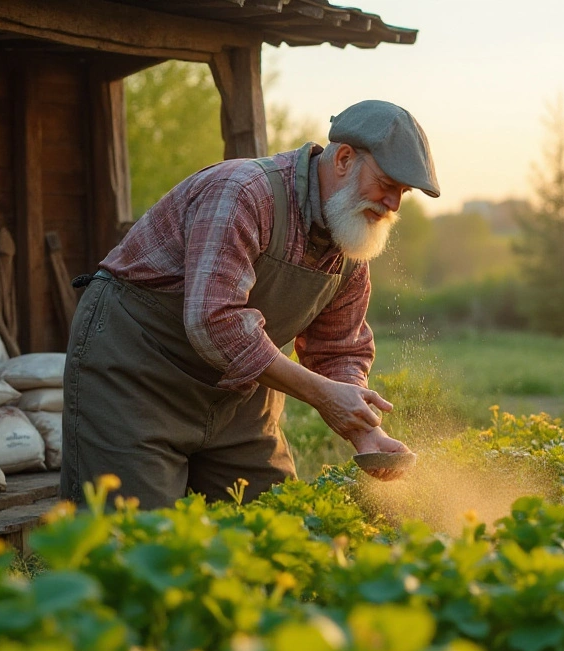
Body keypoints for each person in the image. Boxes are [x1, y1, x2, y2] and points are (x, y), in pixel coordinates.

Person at [60, 100, 441, 507]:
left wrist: (366, 432)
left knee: (273, 524)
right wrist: (321, 395)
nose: (394, 204)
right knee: (135, 543)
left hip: (238, 396)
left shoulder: (350, 242)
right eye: (387, 183)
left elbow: (339, 348)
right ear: (344, 159)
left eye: (403, 192)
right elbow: (214, 320)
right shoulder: (243, 193)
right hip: (136, 377)